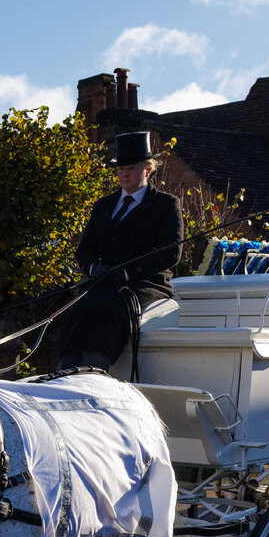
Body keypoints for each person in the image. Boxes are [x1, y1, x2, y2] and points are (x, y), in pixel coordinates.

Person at [58, 131, 183, 372]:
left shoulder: (166, 205)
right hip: (105, 282)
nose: (124, 174)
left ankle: (93, 371)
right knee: (82, 304)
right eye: (121, 168)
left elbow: (170, 253)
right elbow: (85, 250)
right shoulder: (104, 206)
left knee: (110, 306)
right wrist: (94, 267)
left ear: (148, 169)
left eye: (132, 168)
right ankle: (64, 371)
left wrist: (127, 273)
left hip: (146, 283)